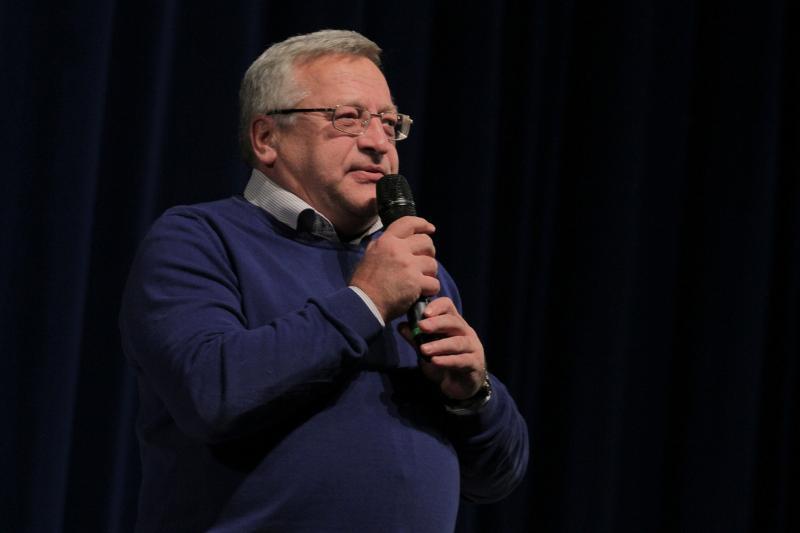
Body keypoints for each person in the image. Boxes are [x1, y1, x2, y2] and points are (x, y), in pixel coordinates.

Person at [119, 29, 528, 532]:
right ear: (267, 138)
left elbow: (496, 478)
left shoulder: (416, 269)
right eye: (348, 118)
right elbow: (211, 393)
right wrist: (366, 301)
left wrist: (472, 395)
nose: (378, 143)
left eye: (389, 123)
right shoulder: (199, 239)